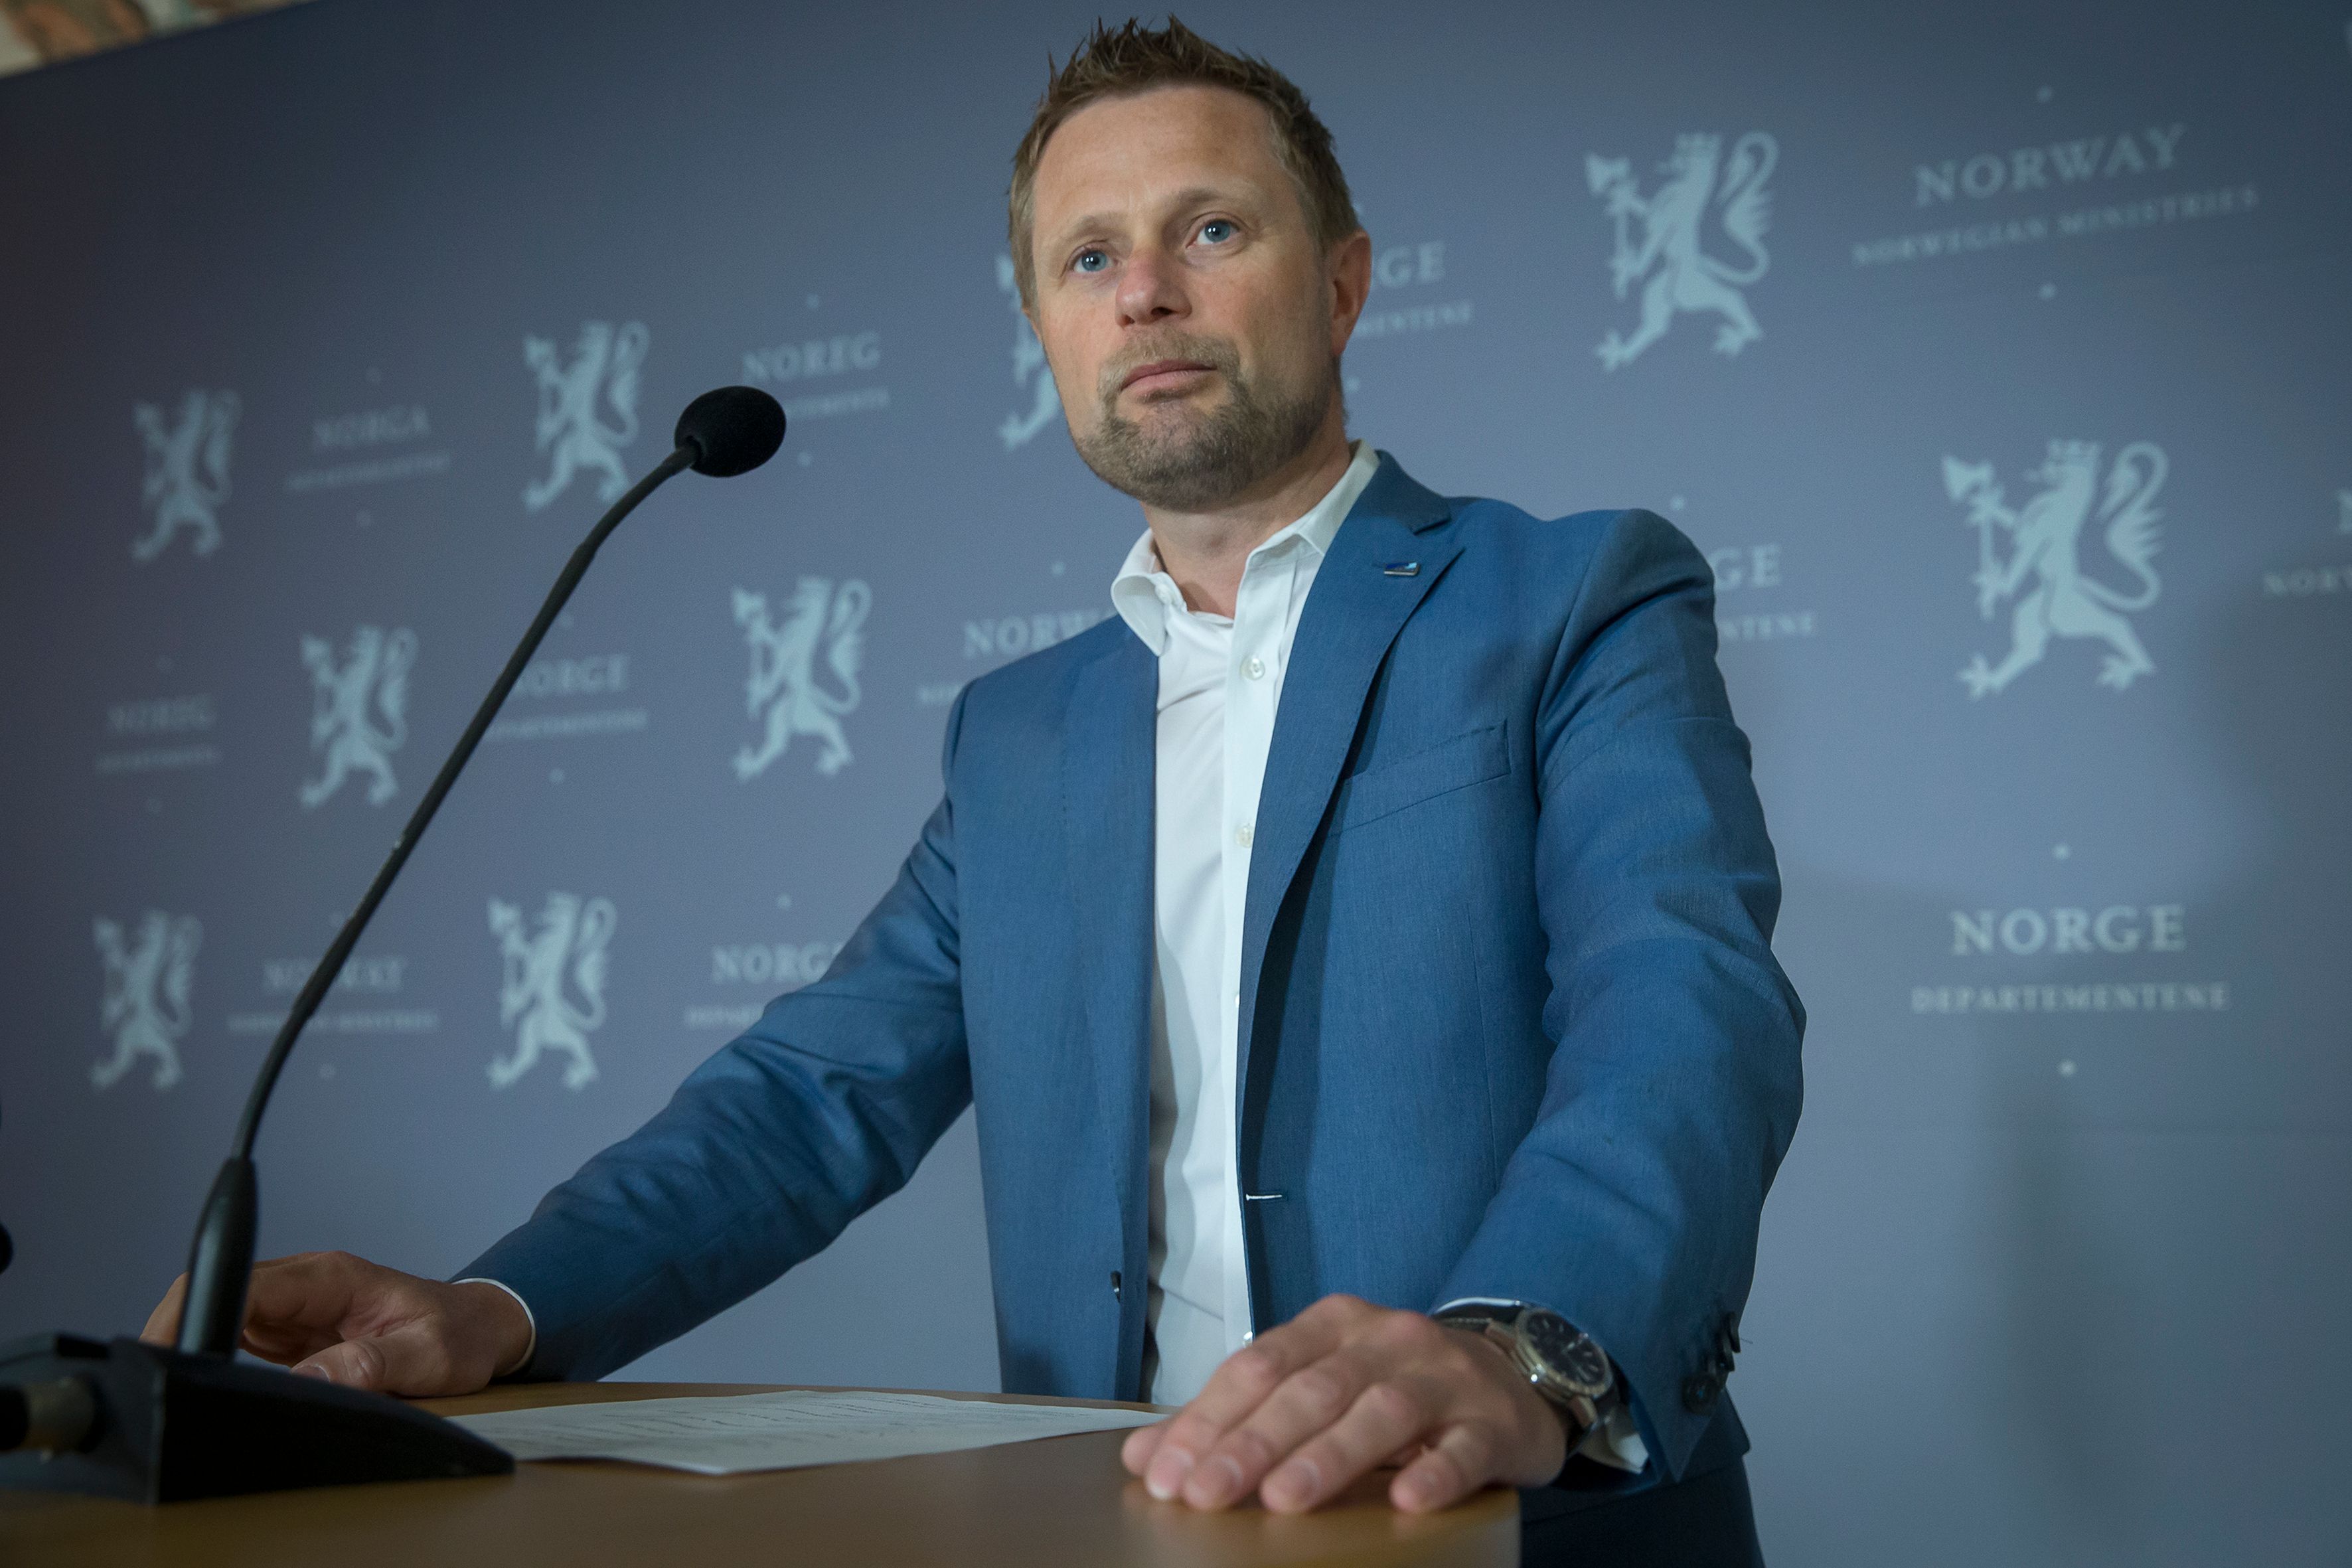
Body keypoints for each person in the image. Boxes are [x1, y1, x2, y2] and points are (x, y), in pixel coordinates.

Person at [144, 19, 1802, 1564]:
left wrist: (1519, 1344)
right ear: (1047, 334)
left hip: (1512, 1526)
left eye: (1210, 229)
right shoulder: (1018, 734)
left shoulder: (1572, 598)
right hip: (1124, 1521)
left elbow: (1679, 1002)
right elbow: (812, 1097)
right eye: (1088, 257)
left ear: (1343, 283)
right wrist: (494, 1309)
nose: (1142, 291)